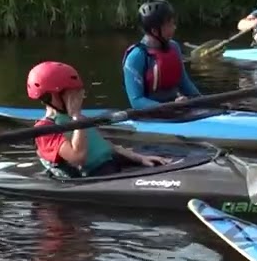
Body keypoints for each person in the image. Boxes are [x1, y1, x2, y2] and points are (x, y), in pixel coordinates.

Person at [28, 60, 169, 178]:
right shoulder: (44, 130)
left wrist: (139, 158)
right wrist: (77, 117)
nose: (79, 97)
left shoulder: (76, 118)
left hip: (110, 166)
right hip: (93, 177)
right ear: (51, 97)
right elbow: (78, 158)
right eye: (72, 94)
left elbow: (104, 146)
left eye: (78, 92)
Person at [122, 0, 203, 109]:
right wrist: (169, 107)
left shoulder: (174, 47)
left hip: (177, 109)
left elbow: (185, 83)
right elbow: (136, 101)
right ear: (155, 31)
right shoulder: (136, 57)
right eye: (169, 25)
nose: (174, 28)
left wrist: (204, 102)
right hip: (150, 115)